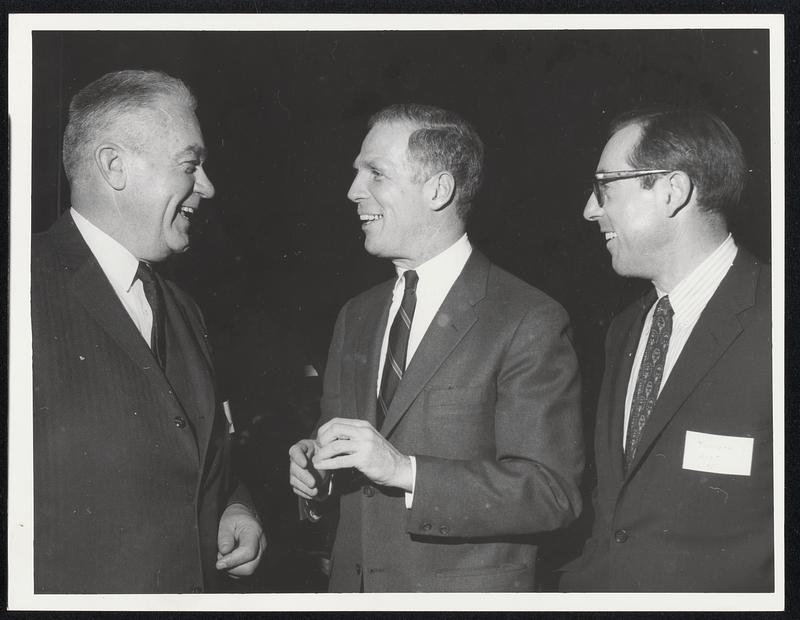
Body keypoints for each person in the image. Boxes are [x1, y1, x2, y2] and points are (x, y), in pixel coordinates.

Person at [289, 104, 583, 592]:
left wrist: (404, 471)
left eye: (375, 173)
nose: (354, 191)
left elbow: (551, 493)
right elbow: (350, 462)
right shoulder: (356, 315)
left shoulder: (527, 318)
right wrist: (317, 476)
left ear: (439, 190)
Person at [32, 69, 265, 593]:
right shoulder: (22, 283)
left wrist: (235, 507)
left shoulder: (184, 307)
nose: (206, 186)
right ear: (114, 166)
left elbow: (201, 461)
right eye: (190, 165)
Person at [559, 109, 773, 592]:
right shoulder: (625, 330)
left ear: (673, 191)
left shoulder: (776, 319)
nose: (590, 211)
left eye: (605, 188)